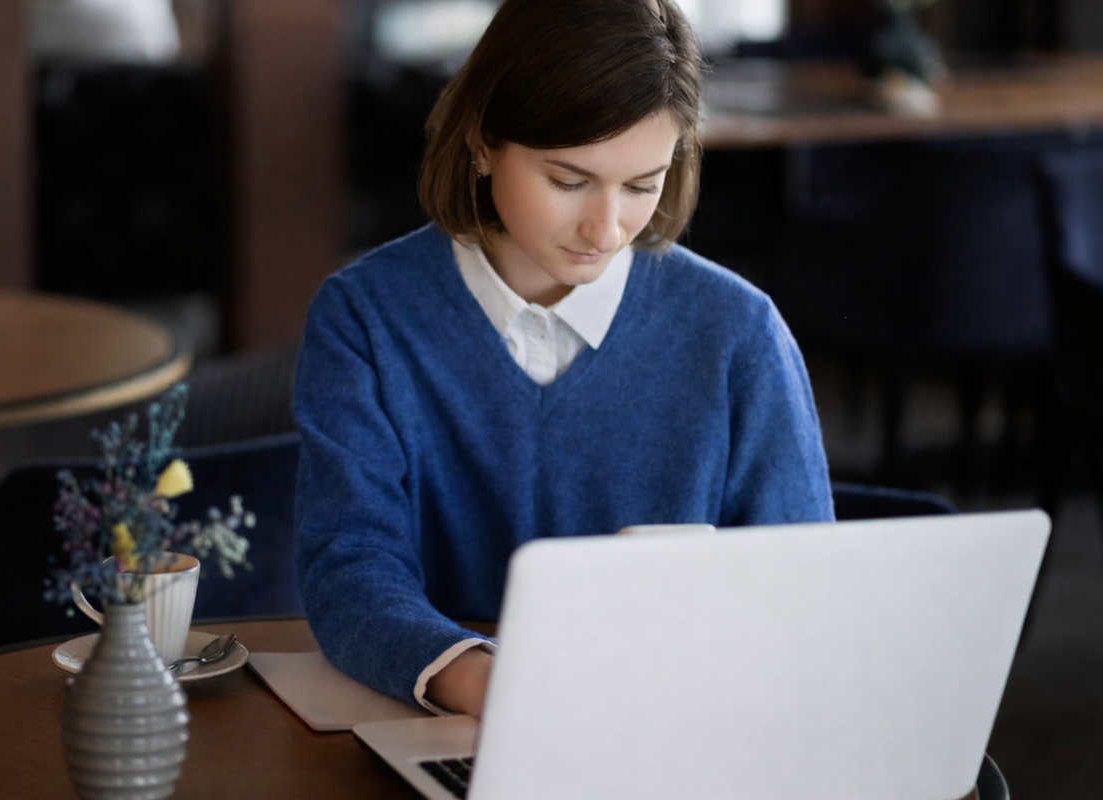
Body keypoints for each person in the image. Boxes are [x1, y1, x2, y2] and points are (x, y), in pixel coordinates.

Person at [293, 0, 834, 718]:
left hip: (680, 724)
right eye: (569, 181)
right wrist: (486, 684)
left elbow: (804, 594)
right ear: (482, 143)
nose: (605, 229)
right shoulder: (366, 318)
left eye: (641, 185)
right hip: (447, 721)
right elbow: (350, 564)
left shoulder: (739, 334)